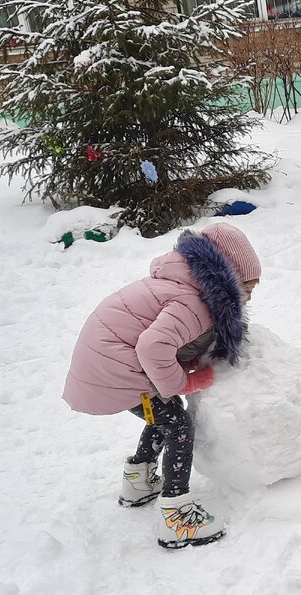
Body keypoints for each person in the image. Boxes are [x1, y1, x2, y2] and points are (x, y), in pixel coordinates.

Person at [63, 223, 259, 548]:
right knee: (179, 425)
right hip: (115, 370)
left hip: (107, 364)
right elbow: (153, 348)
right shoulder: (194, 303)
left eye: (255, 287)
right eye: (245, 286)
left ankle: (138, 480)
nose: (250, 295)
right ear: (224, 276)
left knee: (166, 415)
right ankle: (176, 515)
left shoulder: (184, 285)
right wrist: (185, 381)